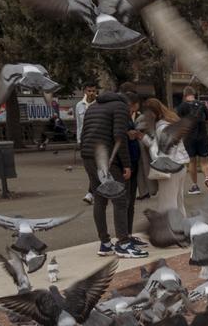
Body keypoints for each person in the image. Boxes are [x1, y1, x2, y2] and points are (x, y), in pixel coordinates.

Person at [80, 84, 145, 259]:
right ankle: (123, 243)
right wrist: (126, 164)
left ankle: (105, 243)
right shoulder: (120, 108)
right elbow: (119, 137)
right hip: (107, 159)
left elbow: (83, 133)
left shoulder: (93, 107)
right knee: (120, 200)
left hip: (88, 156)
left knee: (100, 198)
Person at [140, 98, 188, 217]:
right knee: (178, 202)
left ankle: (171, 232)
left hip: (169, 169)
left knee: (168, 204)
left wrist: (144, 138)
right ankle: (183, 229)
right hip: (180, 166)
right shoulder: (169, 123)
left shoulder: (162, 128)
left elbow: (159, 154)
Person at [176, 87, 208, 195]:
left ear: (184, 95)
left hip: (189, 138)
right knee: (204, 161)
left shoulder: (181, 107)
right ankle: (207, 177)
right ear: (194, 94)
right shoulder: (202, 105)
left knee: (192, 162)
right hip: (202, 137)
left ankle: (195, 186)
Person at [75, 83, 98, 204]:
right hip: (85, 141)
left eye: (93, 90)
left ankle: (91, 193)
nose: (91, 93)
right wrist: (79, 141)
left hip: (98, 140)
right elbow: (79, 125)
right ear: (85, 91)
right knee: (90, 168)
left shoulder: (99, 104)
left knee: (95, 168)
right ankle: (93, 192)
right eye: (89, 91)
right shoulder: (79, 105)